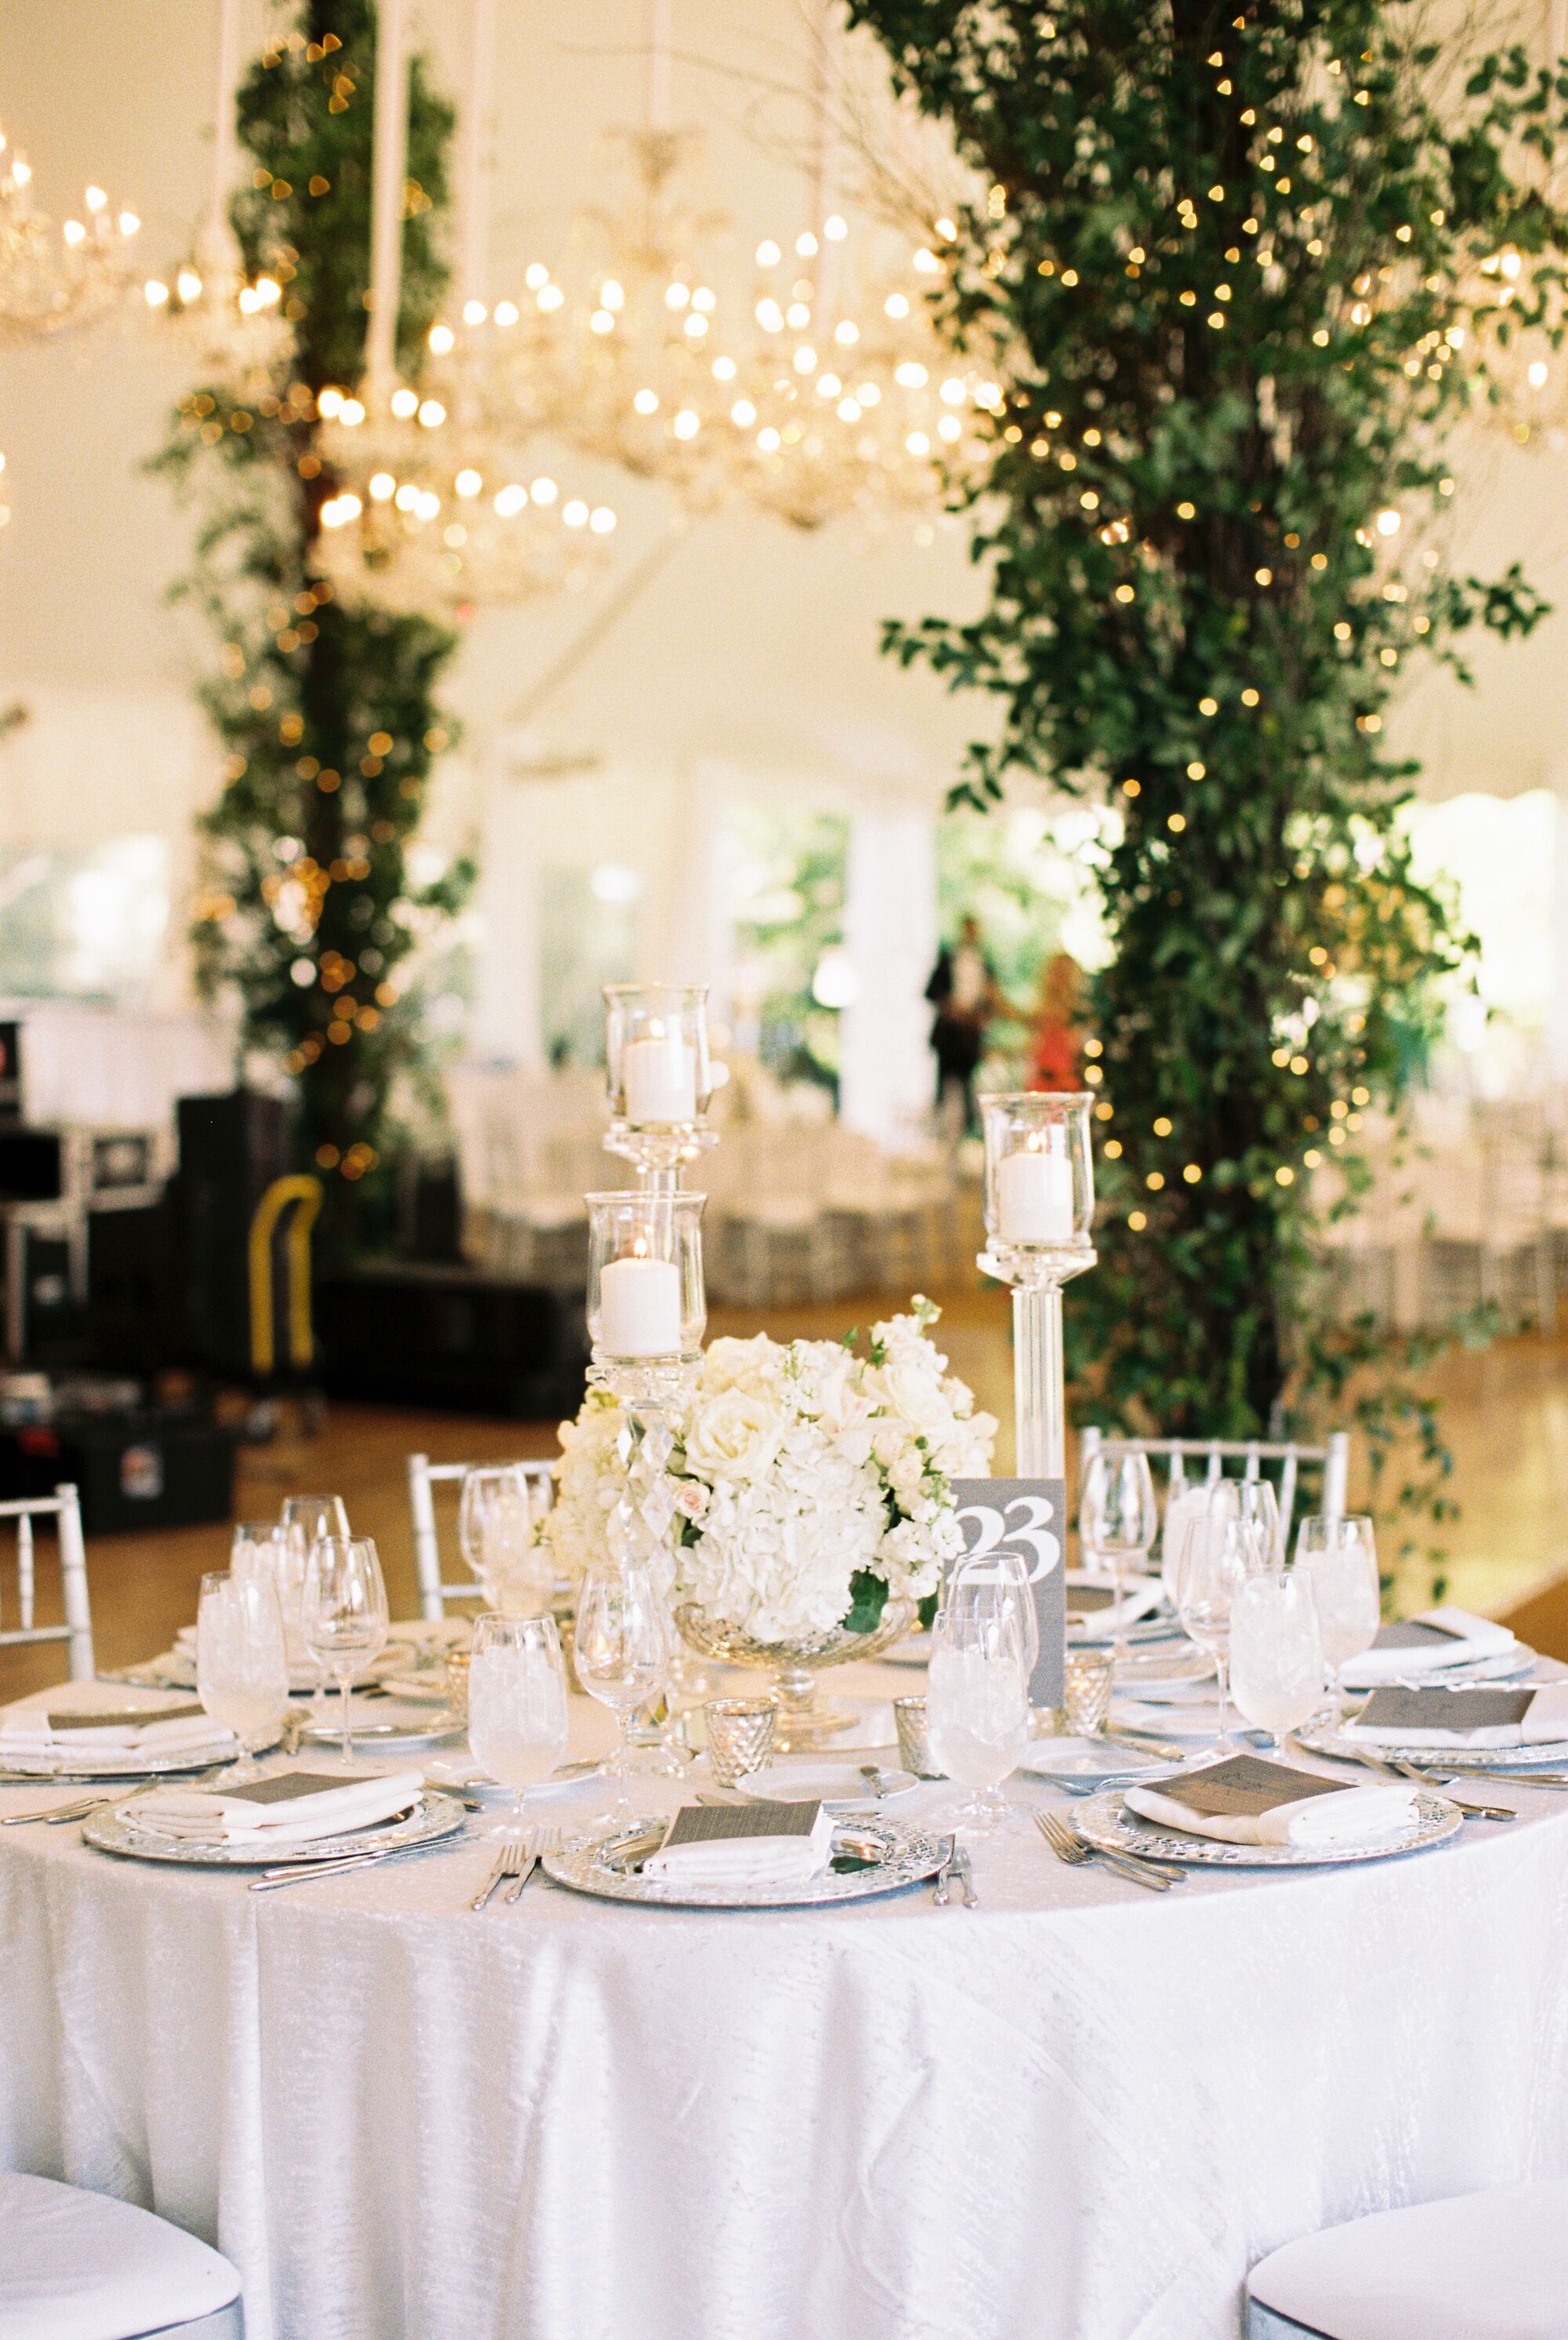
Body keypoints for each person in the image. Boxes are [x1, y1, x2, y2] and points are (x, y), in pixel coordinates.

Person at [926, 913, 1001, 1135]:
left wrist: (979, 1017)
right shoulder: (947, 958)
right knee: (945, 1087)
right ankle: (940, 1132)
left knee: (969, 1088)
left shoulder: (985, 962)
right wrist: (951, 1009)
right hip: (949, 1035)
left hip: (970, 1036)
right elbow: (931, 992)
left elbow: (993, 1000)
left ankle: (968, 1132)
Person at [1028, 949, 1086, 1090]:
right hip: (1044, 1080)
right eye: (1057, 971)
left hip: (1067, 1081)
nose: (1061, 976)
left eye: (1065, 972)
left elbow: (1077, 1046)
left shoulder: (1079, 1010)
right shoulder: (1041, 1008)